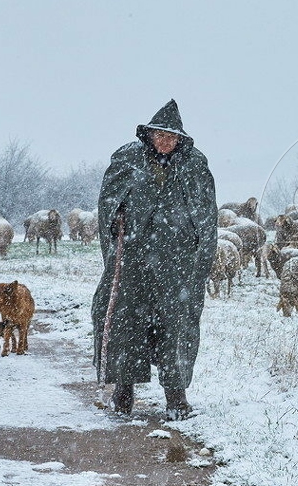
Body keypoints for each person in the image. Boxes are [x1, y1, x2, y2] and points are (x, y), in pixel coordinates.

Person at [91, 99, 218, 420]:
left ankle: (176, 397)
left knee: (175, 325)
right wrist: (117, 215)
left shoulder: (193, 165)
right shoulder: (127, 160)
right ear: (148, 134)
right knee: (125, 322)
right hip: (131, 259)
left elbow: (206, 214)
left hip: (176, 263)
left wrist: (199, 257)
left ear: (180, 139)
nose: (165, 141)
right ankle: (123, 391)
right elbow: (108, 201)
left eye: (172, 137)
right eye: (160, 135)